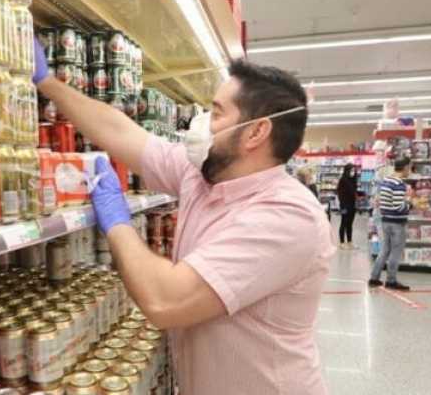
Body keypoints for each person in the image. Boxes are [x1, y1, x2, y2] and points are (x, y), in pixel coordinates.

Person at [31, 43, 336, 395]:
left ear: (256, 132)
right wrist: (48, 82)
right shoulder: (204, 173)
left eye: (216, 113)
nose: (201, 124)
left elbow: (165, 300)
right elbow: (122, 132)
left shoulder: (288, 217)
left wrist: (116, 222)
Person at [369, 157, 412, 291]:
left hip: (385, 220)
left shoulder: (386, 181)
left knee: (385, 250)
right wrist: (410, 202)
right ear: (405, 167)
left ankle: (374, 278)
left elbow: (382, 201)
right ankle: (391, 280)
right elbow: (398, 207)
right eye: (409, 167)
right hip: (397, 223)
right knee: (396, 252)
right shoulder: (399, 184)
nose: (409, 170)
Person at [336, 163, 358, 248]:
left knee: (350, 224)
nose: (353, 172)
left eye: (354, 170)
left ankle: (350, 242)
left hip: (352, 205)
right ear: (347, 171)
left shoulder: (353, 180)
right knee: (343, 222)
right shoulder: (343, 180)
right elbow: (340, 193)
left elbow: (353, 191)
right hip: (344, 205)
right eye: (351, 170)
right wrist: (343, 205)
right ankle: (341, 243)